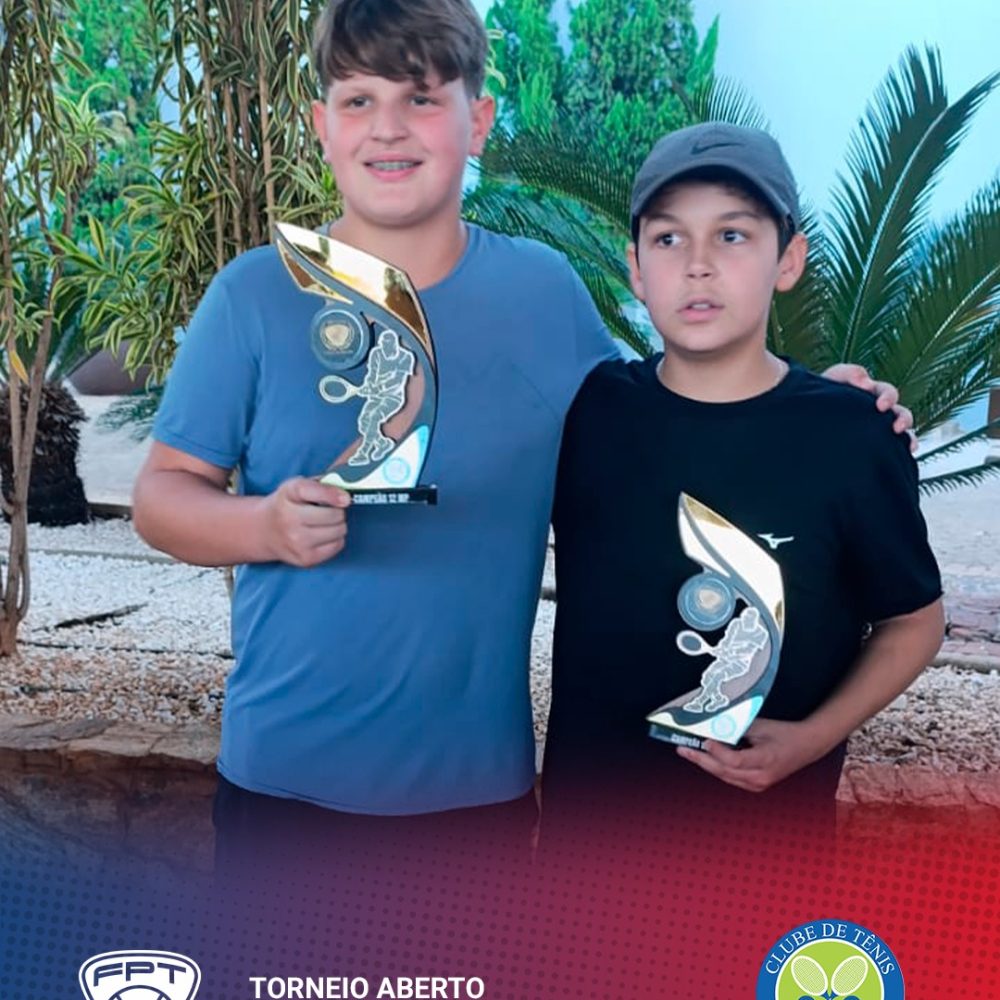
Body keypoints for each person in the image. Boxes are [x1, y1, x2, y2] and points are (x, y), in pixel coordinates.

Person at [132, 2, 910, 832]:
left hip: (478, 804)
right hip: (282, 792)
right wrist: (263, 526)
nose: (388, 128)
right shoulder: (253, 296)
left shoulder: (543, 295)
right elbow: (160, 498)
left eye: (421, 98)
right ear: (323, 126)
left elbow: (666, 412)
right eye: (359, 100)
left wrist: (802, 400)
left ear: (479, 122)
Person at [542, 123, 944, 842]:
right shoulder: (588, 411)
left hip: (766, 860)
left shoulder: (851, 436)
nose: (698, 265)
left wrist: (813, 738)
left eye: (731, 235)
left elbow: (914, 621)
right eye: (669, 238)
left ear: (787, 259)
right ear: (636, 268)